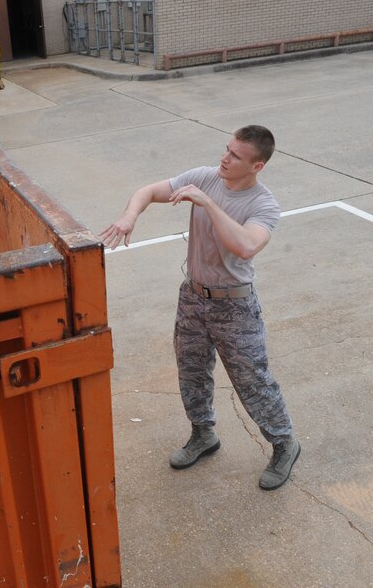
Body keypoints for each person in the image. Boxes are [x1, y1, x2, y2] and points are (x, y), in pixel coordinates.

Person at [100, 125, 299, 490]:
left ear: (257, 167)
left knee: (252, 381)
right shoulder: (205, 176)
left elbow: (246, 246)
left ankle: (284, 443)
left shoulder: (263, 205)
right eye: (226, 149)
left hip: (234, 307)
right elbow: (148, 191)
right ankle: (203, 434)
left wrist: (208, 202)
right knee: (191, 370)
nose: (224, 158)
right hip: (193, 296)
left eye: (236, 156)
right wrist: (131, 215)